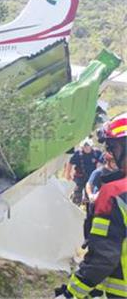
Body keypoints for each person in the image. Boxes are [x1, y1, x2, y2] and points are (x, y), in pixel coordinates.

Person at [57, 115, 127, 299]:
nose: (109, 154)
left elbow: (102, 260)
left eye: (114, 147)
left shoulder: (114, 193)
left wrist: (70, 294)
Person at [65, 138, 103, 205]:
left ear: (91, 146)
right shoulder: (78, 154)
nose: (86, 148)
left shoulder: (97, 153)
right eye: (85, 146)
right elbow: (70, 163)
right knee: (77, 194)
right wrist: (67, 174)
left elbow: (103, 162)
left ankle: (89, 208)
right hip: (79, 177)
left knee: (90, 195)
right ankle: (75, 205)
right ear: (82, 147)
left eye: (88, 146)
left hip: (91, 178)